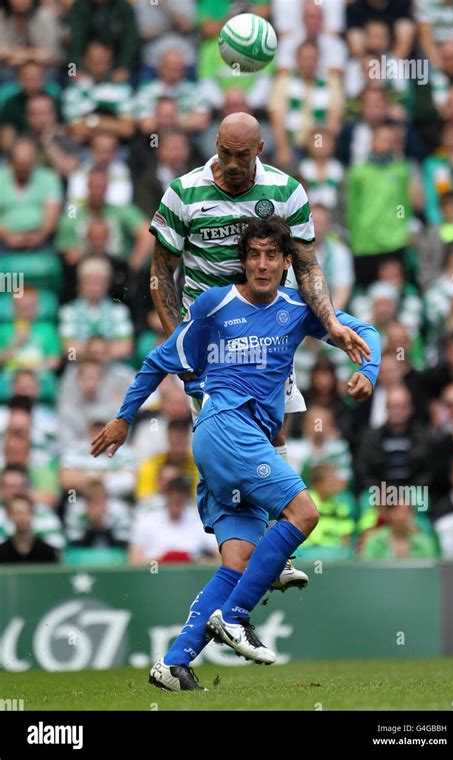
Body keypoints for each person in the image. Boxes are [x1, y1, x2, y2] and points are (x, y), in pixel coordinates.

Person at [91, 217, 381, 690]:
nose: (262, 265)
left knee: (238, 562)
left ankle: (174, 663)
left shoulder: (298, 307)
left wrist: (369, 369)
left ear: (288, 263)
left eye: (272, 256)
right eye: (254, 256)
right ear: (242, 262)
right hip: (225, 427)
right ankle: (237, 617)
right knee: (304, 514)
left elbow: (365, 330)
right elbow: (159, 359)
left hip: (242, 443)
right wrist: (124, 417)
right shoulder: (215, 305)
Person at [149, 111, 371, 590]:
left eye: (242, 155)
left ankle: (274, 549)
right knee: (230, 450)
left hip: (269, 337)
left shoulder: (286, 193)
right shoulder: (183, 193)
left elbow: (308, 267)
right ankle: (248, 560)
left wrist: (331, 321)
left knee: (272, 435)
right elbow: (160, 274)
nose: (231, 164)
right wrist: (181, 347)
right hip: (210, 347)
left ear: (260, 150)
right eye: (224, 153)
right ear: (216, 145)